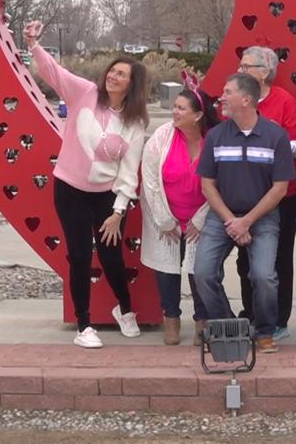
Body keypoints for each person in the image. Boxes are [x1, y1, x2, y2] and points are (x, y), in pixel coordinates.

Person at [24, 20, 149, 349]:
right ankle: (84, 325)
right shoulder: (86, 93)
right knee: (79, 255)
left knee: (111, 257)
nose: (113, 76)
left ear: (132, 84)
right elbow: (55, 73)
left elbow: (129, 170)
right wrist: (34, 44)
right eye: (112, 71)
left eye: (122, 74)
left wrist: (118, 212)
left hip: (106, 198)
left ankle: (125, 309)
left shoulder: (136, 120)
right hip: (69, 190)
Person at [193, 73, 296, 354]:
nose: (222, 98)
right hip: (222, 216)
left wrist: (247, 221)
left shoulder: (275, 136)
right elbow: (207, 185)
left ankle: (264, 331)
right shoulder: (216, 136)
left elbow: (279, 189)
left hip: (262, 218)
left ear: (247, 99)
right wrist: (230, 220)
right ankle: (229, 327)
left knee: (263, 276)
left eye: (228, 92)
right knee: (202, 272)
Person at [139, 79, 220, 345]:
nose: (175, 112)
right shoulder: (162, 136)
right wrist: (163, 219)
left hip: (202, 216)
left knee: (201, 270)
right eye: (174, 106)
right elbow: (149, 179)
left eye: (181, 108)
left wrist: (201, 217)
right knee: (167, 270)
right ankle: (171, 319)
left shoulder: (214, 141)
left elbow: (222, 183)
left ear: (197, 115)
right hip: (165, 215)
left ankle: (202, 320)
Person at [233, 47, 296, 341]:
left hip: (282, 194)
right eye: (241, 65)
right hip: (245, 193)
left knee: (279, 259)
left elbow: (294, 142)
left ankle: (277, 319)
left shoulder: (284, 100)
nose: (241, 70)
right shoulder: (238, 99)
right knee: (245, 259)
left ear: (264, 72)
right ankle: (250, 313)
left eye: (247, 66)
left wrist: (266, 141)